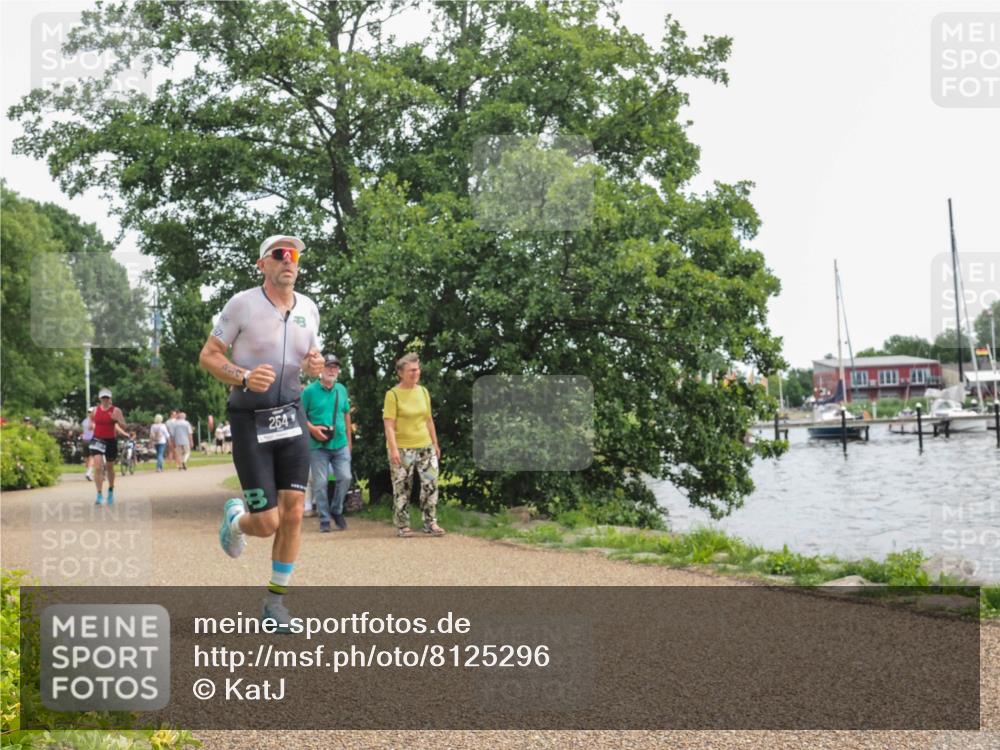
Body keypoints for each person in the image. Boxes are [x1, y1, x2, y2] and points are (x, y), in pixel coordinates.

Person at [199, 233, 323, 631]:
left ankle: (275, 604)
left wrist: (314, 366)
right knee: (266, 522)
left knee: (293, 515)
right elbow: (209, 356)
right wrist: (245, 375)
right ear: (262, 264)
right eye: (280, 254)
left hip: (291, 417)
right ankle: (236, 521)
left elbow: (309, 357)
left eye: (295, 255)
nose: (289, 260)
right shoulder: (243, 304)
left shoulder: (309, 308)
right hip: (250, 419)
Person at [382, 353, 443, 538]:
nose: (416, 373)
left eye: (417, 369)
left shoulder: (423, 391)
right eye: (411, 370)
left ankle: (430, 522)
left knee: (431, 483)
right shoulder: (392, 395)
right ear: (401, 373)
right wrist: (393, 449)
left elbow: (428, 419)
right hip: (402, 447)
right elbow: (389, 425)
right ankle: (402, 524)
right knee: (402, 487)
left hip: (425, 446)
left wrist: (435, 443)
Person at [302, 354, 353, 532]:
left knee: (346, 477)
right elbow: (300, 415)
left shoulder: (341, 389)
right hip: (317, 446)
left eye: (335, 367)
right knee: (320, 483)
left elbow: (347, 414)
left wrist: (349, 441)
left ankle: (337, 510)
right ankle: (324, 518)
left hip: (340, 443)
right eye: (329, 366)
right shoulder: (309, 391)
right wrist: (313, 430)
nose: (332, 370)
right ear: (320, 369)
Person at [88, 387, 129, 505]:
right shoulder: (95, 410)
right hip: (97, 440)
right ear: (100, 398)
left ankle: (110, 490)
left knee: (110, 466)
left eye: (107, 397)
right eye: (103, 397)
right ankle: (99, 494)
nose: (105, 399)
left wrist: (117, 420)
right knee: (98, 466)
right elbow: (91, 421)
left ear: (110, 398)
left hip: (110, 440)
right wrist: (92, 425)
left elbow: (124, 425)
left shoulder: (116, 410)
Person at [81, 412, 95, 481]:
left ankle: (89, 472)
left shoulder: (84, 421)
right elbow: (92, 428)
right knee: (92, 457)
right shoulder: (93, 421)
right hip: (91, 439)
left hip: (85, 439)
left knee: (86, 457)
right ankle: (89, 473)